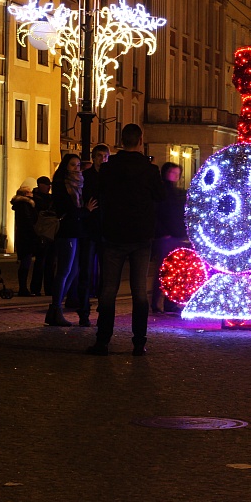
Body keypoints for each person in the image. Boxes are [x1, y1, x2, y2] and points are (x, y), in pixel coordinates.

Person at [87, 124, 165, 356]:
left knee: (108, 290)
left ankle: (103, 341)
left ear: (122, 141)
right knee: (139, 291)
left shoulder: (108, 169)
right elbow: (160, 196)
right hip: (140, 235)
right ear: (140, 141)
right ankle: (139, 342)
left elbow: (99, 193)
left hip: (114, 234)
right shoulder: (150, 170)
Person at [45, 154, 97, 327]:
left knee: (73, 270)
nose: (76, 168)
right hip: (66, 231)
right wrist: (86, 210)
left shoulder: (79, 183)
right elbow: (68, 210)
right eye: (73, 165)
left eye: (78, 165)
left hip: (76, 231)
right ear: (65, 166)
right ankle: (55, 308)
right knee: (64, 271)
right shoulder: (62, 184)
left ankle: (56, 308)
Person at [73, 144, 109, 325]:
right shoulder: (86, 177)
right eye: (99, 156)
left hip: (105, 230)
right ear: (94, 158)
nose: (102, 159)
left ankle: (103, 309)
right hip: (89, 229)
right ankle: (84, 311)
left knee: (106, 274)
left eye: (105, 156)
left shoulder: (110, 177)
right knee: (86, 272)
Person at [151, 161, 189, 314]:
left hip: (178, 235)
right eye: (172, 172)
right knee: (163, 270)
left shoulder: (180, 193)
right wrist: (162, 232)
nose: (175, 176)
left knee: (175, 272)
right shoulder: (161, 193)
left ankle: (170, 302)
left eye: (177, 173)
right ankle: (156, 302)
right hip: (166, 237)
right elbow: (156, 214)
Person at [10, 186, 38, 297]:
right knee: (26, 261)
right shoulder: (24, 205)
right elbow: (28, 220)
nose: (32, 193)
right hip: (27, 236)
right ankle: (23, 288)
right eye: (30, 192)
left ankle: (23, 287)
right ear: (26, 194)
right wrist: (34, 232)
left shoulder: (21, 205)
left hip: (23, 236)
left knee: (25, 261)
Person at [30, 176, 54, 297]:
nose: (49, 187)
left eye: (49, 185)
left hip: (50, 233)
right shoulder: (34, 199)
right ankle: (36, 288)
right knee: (40, 262)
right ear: (40, 185)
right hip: (40, 233)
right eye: (46, 185)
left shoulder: (50, 198)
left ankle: (49, 288)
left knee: (50, 262)